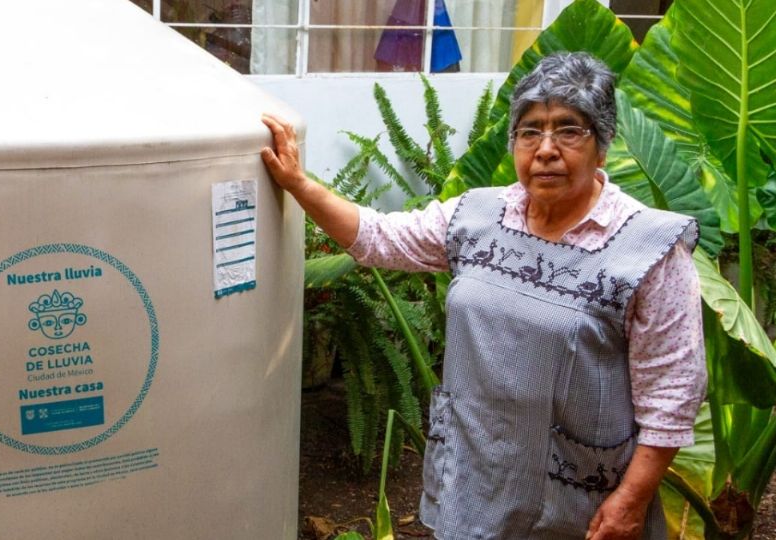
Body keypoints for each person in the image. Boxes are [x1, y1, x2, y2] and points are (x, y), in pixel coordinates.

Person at [261, 52, 706, 540]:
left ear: (602, 146)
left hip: (578, 498)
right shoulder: (478, 215)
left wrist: (632, 499)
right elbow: (378, 237)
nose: (546, 149)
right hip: (477, 476)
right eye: (530, 130)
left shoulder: (647, 248)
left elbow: (671, 394)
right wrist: (299, 185)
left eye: (569, 130)